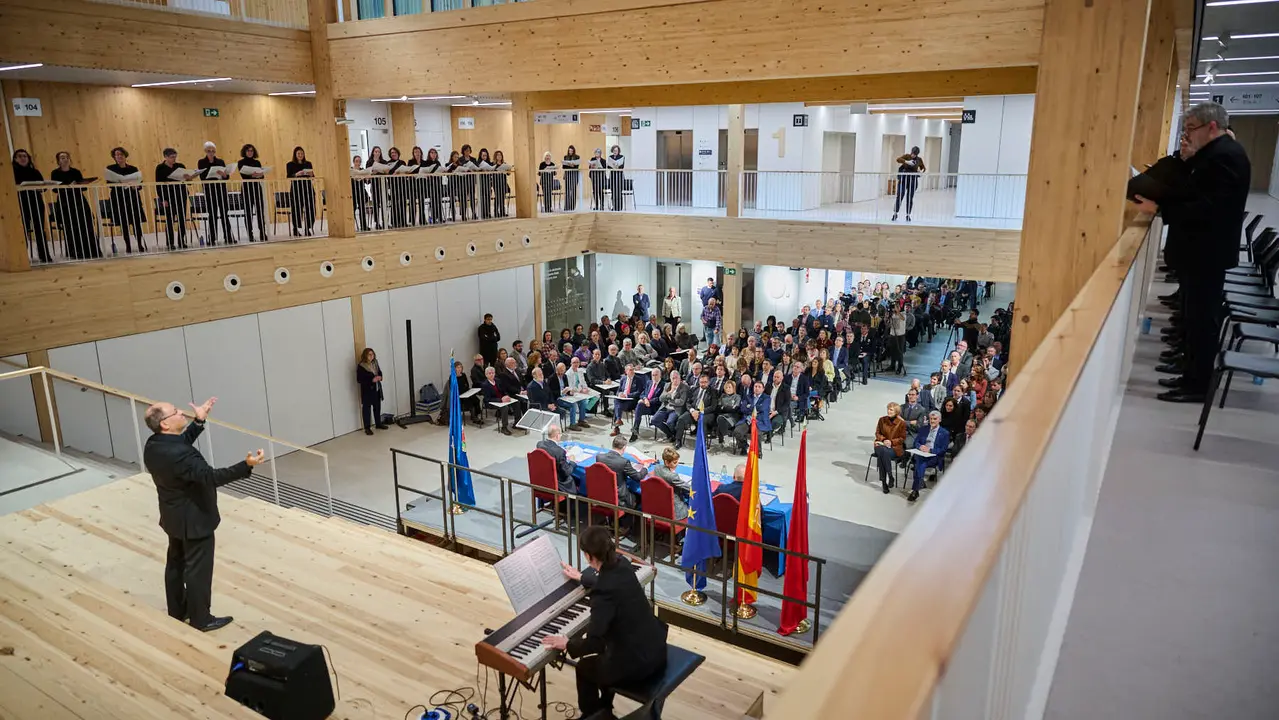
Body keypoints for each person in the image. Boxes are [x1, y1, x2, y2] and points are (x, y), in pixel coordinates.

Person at [1133, 102, 1250, 403]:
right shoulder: (1215, 154)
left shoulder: (1225, 156)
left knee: (1202, 321)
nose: (1187, 136)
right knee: (1193, 316)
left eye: (1190, 129)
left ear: (1211, 127)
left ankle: (1197, 385)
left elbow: (1209, 207)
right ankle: (1189, 373)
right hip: (1200, 251)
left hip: (1206, 252)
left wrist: (1160, 208)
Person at [143, 396, 265, 632]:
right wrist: (246, 465)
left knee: (176, 564)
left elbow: (179, 445)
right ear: (165, 424)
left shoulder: (154, 444)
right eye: (175, 411)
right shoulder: (181, 454)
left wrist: (198, 422)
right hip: (194, 519)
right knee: (198, 571)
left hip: (172, 516)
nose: (181, 412)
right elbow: (211, 477)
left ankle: (177, 611)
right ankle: (201, 619)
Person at [541, 526, 667, 716]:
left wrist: (567, 643)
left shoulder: (602, 594)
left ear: (589, 556)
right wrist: (582, 577)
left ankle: (594, 716)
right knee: (606, 653)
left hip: (639, 666)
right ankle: (605, 707)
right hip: (656, 649)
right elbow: (608, 581)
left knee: (585, 668)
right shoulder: (624, 565)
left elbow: (594, 642)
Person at [48, 151, 100, 260]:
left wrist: (81, 184)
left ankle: (92, 251)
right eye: (62, 158)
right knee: (70, 227)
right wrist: (68, 186)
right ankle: (75, 252)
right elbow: (55, 189)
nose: (65, 159)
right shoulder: (55, 173)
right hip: (65, 202)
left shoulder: (76, 171)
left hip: (79, 200)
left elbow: (83, 187)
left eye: (67, 157)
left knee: (86, 224)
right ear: (58, 161)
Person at [12, 149, 52, 263]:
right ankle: (22, 257)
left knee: (39, 229)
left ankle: (44, 255)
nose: (23, 158)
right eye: (20, 156)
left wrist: (41, 187)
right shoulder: (12, 172)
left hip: (36, 202)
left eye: (25, 156)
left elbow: (43, 187)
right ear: (15, 159)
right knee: (23, 230)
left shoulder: (35, 172)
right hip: (21, 203)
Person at [106, 146, 146, 253]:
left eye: (121, 154)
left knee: (136, 223)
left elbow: (140, 184)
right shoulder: (111, 168)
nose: (119, 156)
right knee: (124, 224)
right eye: (117, 155)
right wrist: (122, 183)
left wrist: (135, 186)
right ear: (114, 157)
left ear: (125, 156)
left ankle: (140, 244)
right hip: (119, 199)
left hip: (132, 198)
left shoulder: (133, 169)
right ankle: (128, 246)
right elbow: (109, 183)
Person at [197, 141, 234, 245]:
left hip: (221, 190)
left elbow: (226, 176)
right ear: (205, 151)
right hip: (209, 191)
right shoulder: (202, 162)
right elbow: (202, 176)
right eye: (209, 151)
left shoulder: (220, 161)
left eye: (213, 151)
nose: (211, 153)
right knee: (212, 214)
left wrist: (224, 175)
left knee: (224, 214)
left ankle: (228, 237)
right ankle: (212, 238)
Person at [908, 411, 950, 502]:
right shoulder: (924, 429)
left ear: (940, 420)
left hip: (934, 457)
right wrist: (920, 446)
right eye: (931, 419)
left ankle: (916, 489)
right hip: (922, 454)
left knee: (919, 463)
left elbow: (943, 449)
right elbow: (916, 442)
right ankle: (917, 488)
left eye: (935, 419)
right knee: (920, 461)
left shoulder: (944, 433)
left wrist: (930, 450)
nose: (932, 421)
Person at [155, 148, 191, 250]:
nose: (174, 159)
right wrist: (163, 199)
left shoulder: (180, 166)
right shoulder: (160, 168)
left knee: (182, 219)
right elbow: (158, 185)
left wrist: (188, 178)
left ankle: (181, 241)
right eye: (171, 157)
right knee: (170, 221)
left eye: (175, 157)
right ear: (165, 157)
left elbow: (188, 182)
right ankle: (170, 243)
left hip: (181, 195)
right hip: (168, 197)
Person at [595, 434, 645, 507]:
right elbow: (638, 477)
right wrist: (645, 468)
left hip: (603, 494)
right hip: (620, 498)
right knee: (640, 496)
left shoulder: (599, 457)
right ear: (624, 448)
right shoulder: (624, 462)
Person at [675, 373, 717, 449]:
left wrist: (700, 412)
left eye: (705, 382)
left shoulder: (713, 392)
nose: (703, 384)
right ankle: (678, 440)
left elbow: (713, 407)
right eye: (701, 382)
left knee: (702, 420)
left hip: (706, 413)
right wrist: (692, 411)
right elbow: (688, 402)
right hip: (693, 411)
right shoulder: (694, 389)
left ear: (708, 382)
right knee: (681, 419)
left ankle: (702, 443)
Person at [873, 401, 908, 493]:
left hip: (894, 447)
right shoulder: (882, 420)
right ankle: (890, 476)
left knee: (883, 453)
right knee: (883, 451)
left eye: (891, 410)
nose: (889, 411)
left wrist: (891, 442)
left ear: (896, 412)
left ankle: (884, 482)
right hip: (880, 444)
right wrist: (884, 440)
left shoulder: (901, 423)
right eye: (888, 409)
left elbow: (902, 438)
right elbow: (877, 433)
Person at [236, 144, 268, 242]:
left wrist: (258, 175)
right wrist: (253, 175)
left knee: (260, 212)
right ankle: (250, 234)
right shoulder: (241, 162)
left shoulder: (257, 162)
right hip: (247, 189)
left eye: (252, 151)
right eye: (248, 151)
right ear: (245, 152)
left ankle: (262, 232)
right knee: (248, 213)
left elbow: (262, 175)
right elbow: (244, 176)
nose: (250, 152)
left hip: (257, 189)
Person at [536, 424, 578, 496]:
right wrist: (572, 462)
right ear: (557, 435)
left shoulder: (539, 444)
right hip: (556, 484)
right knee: (575, 478)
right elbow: (566, 472)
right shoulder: (559, 451)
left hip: (541, 480)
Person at [651, 446, 691, 519]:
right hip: (676, 511)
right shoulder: (673, 476)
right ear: (666, 462)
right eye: (675, 462)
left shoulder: (657, 467)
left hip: (661, 506)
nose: (677, 464)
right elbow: (688, 488)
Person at [651, 372, 689, 445]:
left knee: (670, 422)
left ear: (680, 378)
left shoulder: (684, 387)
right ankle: (671, 434)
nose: (675, 380)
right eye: (673, 378)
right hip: (665, 407)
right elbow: (661, 398)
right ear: (671, 379)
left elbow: (681, 402)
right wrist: (670, 392)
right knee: (654, 420)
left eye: (677, 378)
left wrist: (670, 401)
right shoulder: (667, 385)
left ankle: (675, 436)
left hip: (675, 409)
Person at [356, 348, 388, 435]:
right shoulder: (361, 366)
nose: (371, 356)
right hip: (367, 390)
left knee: (377, 407)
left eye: (372, 354)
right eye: (369, 354)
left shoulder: (375, 363)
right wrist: (371, 380)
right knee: (367, 409)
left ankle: (378, 423)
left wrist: (380, 377)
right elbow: (359, 379)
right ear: (365, 355)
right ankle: (367, 428)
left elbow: (379, 372)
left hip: (376, 388)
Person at [628, 367, 664, 442]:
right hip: (646, 405)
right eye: (653, 375)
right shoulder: (649, 382)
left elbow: (660, 399)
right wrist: (645, 399)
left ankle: (635, 430)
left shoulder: (663, 385)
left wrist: (649, 402)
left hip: (655, 407)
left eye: (656, 375)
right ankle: (635, 431)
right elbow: (642, 394)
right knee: (639, 406)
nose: (654, 377)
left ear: (660, 375)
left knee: (639, 406)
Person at [286, 146, 316, 236]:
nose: (300, 155)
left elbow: (313, 176)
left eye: (302, 153)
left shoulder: (308, 164)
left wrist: (311, 174)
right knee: (296, 210)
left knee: (311, 209)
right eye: (298, 153)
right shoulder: (290, 164)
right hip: (296, 190)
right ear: (295, 154)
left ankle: (308, 228)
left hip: (308, 189)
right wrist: (296, 174)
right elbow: (288, 176)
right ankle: (296, 228)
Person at [891, 146, 925, 222]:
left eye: (914, 154)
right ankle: (895, 213)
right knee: (900, 195)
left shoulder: (919, 160)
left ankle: (908, 215)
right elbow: (898, 159)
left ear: (917, 154)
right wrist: (906, 162)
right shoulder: (907, 156)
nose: (913, 155)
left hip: (913, 181)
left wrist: (920, 171)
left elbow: (923, 168)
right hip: (903, 180)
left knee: (910, 198)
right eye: (912, 153)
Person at [610, 363, 645, 434]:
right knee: (616, 401)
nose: (632, 371)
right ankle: (618, 420)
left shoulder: (638, 379)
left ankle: (616, 427)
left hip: (632, 401)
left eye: (633, 370)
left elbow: (639, 392)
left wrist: (627, 395)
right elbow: (619, 390)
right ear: (626, 371)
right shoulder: (623, 378)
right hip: (622, 399)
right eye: (630, 370)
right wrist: (619, 394)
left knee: (617, 406)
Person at [482, 366, 515, 435]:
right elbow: (487, 399)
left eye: (493, 373)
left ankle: (517, 422)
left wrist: (506, 396)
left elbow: (503, 390)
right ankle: (504, 427)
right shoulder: (485, 385)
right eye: (489, 373)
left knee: (516, 402)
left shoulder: (498, 380)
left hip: (501, 400)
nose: (491, 374)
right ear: (486, 375)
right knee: (505, 407)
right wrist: (501, 400)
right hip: (491, 402)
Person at [492, 149, 511, 217]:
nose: (499, 156)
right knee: (497, 197)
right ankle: (496, 212)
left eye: (500, 155)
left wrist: (508, 170)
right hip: (496, 182)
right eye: (498, 155)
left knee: (502, 197)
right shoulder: (493, 164)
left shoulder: (504, 164)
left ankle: (502, 211)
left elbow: (508, 174)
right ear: (495, 156)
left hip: (503, 182)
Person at [607, 144, 626, 211]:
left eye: (616, 150)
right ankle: (614, 206)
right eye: (614, 150)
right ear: (612, 151)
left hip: (619, 175)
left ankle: (619, 207)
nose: (615, 152)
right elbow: (608, 166)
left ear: (618, 151)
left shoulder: (621, 157)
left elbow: (622, 166)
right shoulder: (610, 157)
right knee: (613, 191)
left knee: (619, 191)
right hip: (612, 175)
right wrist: (612, 166)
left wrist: (617, 165)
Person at [562, 145, 581, 212]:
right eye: (569, 150)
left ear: (573, 151)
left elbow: (577, 166)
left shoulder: (577, 157)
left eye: (572, 151)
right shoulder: (565, 157)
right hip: (568, 175)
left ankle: (572, 206)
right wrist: (570, 165)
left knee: (573, 190)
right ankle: (566, 207)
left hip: (574, 175)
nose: (570, 152)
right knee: (567, 191)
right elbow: (564, 167)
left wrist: (572, 165)